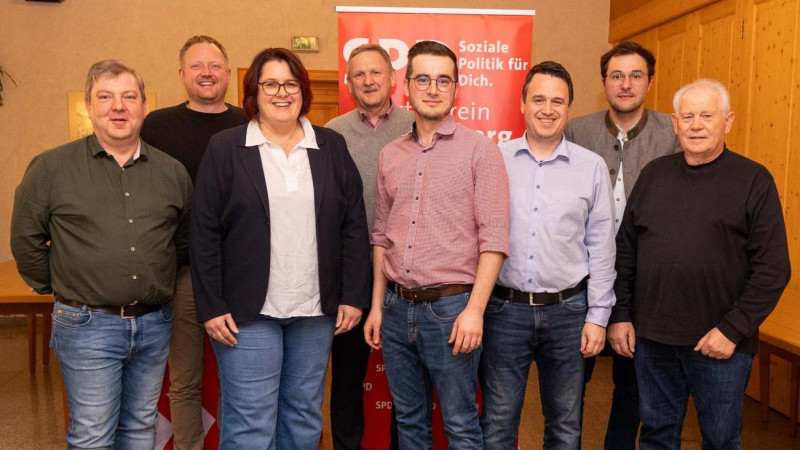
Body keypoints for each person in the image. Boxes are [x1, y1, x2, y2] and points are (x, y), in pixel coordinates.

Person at [190, 47, 371, 449]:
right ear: (254, 91)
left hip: (314, 311)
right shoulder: (226, 148)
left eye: (290, 83)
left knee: (303, 417)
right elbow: (203, 233)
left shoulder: (331, 146)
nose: (281, 93)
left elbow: (353, 226)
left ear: (303, 91)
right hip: (246, 313)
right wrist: (212, 304)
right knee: (251, 422)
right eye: (270, 83)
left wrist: (353, 296)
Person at [10, 60, 192, 449]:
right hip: (86, 324)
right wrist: (63, 286)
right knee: (93, 432)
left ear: (144, 106)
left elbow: (181, 240)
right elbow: (26, 241)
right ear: (90, 107)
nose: (118, 107)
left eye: (129, 97)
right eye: (105, 97)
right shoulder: (51, 168)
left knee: (142, 428)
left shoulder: (172, 172)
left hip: (154, 323)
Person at [612, 78, 790, 449]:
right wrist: (622, 314)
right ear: (675, 124)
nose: (696, 125)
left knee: (721, 440)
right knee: (657, 436)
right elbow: (625, 251)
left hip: (720, 343)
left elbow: (773, 269)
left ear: (728, 121)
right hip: (652, 339)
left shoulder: (754, 180)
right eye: (688, 116)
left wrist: (732, 330)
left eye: (707, 115)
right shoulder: (654, 175)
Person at [363, 40, 510, 449]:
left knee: (461, 424)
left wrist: (475, 311)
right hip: (394, 309)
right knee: (410, 422)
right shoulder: (390, 154)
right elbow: (381, 237)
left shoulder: (481, 152)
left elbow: (494, 240)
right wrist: (377, 306)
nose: (432, 88)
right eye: (422, 79)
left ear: (456, 88)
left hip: (451, 312)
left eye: (443, 80)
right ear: (406, 86)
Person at [479, 61, 616, 449]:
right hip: (504, 312)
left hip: (569, 313)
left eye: (558, 101)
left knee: (566, 425)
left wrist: (599, 316)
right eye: (538, 98)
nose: (548, 108)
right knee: (498, 423)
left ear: (569, 107)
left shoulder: (591, 167)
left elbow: (602, 247)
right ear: (522, 104)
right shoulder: (493, 159)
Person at [564, 41, 681, 449]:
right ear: (603, 82)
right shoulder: (577, 129)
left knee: (633, 386)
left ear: (649, 81)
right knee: (570, 386)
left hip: (643, 284)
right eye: (617, 75)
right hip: (581, 278)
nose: (626, 84)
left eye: (635, 75)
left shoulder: (673, 130)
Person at [140, 34, 248, 450]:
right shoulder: (157, 126)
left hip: (241, 273)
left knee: (241, 378)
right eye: (197, 66)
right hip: (184, 273)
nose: (207, 73)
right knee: (185, 380)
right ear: (182, 74)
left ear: (227, 72)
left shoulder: (249, 123)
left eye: (215, 65)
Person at [325, 43, 414, 450]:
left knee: (406, 382)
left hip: (406, 274)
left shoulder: (419, 125)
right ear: (348, 82)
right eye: (358, 74)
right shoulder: (331, 133)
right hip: (351, 274)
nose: (368, 80)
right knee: (346, 378)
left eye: (376, 72)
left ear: (394, 78)